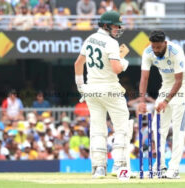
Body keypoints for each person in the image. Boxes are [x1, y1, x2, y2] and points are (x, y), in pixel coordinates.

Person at [74, 11, 130, 178]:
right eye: (115, 25)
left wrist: (80, 86)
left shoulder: (90, 39)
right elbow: (116, 68)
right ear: (106, 25)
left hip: (91, 89)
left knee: (98, 128)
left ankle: (99, 168)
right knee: (121, 127)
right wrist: (124, 62)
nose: (118, 28)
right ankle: (119, 167)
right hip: (110, 89)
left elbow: (78, 63)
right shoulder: (111, 42)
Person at [138, 30, 185, 179]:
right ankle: (160, 165)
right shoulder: (148, 52)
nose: (156, 50)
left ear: (165, 43)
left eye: (158, 47)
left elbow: (179, 81)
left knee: (178, 129)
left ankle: (174, 168)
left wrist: (166, 101)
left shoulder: (175, 51)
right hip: (166, 86)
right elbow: (144, 78)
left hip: (183, 87)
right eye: (153, 47)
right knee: (158, 129)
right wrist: (142, 101)